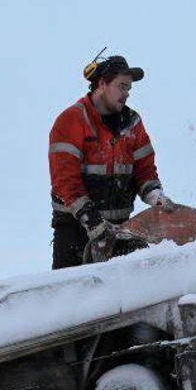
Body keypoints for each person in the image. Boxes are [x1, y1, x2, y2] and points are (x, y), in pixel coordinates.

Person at [47, 54, 174, 269]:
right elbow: (64, 180)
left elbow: (144, 170)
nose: (126, 94)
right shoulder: (71, 121)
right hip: (75, 231)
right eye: (122, 87)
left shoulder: (133, 123)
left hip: (121, 231)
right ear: (102, 84)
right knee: (72, 296)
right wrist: (91, 220)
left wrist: (154, 195)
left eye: (129, 89)